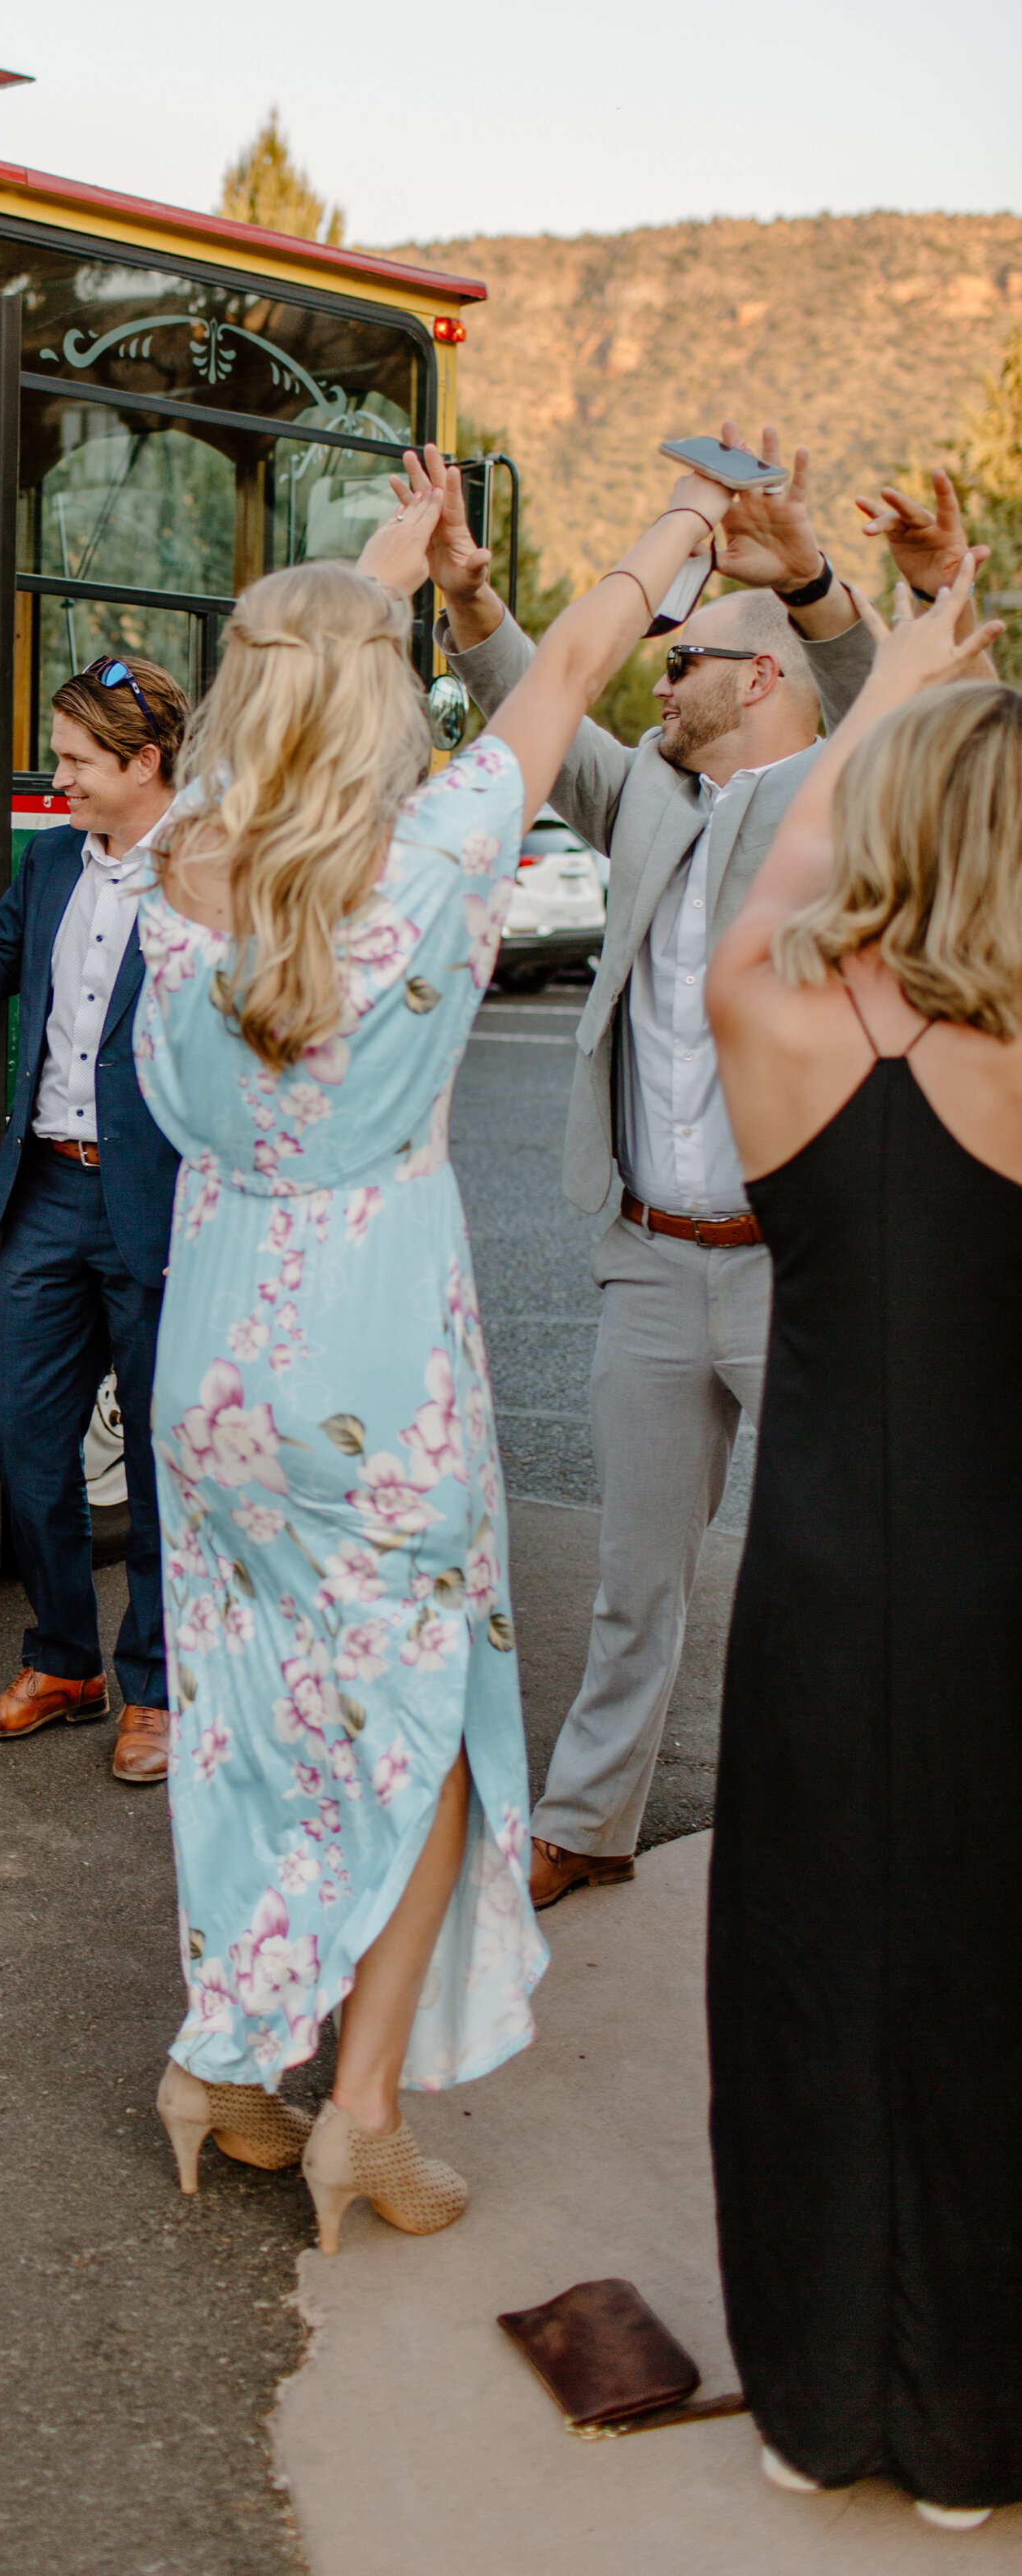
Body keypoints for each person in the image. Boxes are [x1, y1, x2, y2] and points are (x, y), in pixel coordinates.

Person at [139, 447, 746, 2243]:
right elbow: (568, 659)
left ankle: (220, 2065)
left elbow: (299, 675)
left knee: (247, 1717)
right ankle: (362, 2120)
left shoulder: (181, 858)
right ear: (382, 694)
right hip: (371, 1356)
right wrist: (683, 531)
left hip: (210, 1361)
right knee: (426, 1736)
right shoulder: (444, 845)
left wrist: (374, 568)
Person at [433, 429, 878, 1907]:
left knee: (848, 1575)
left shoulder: (850, 804)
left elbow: (904, 712)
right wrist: (477, 606)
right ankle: (588, 1821)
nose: (655, 681)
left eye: (680, 663)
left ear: (758, 676)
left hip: (796, 1269)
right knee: (634, 1582)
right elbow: (540, 709)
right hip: (644, 1257)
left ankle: (864, 1847)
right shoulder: (648, 803)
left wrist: (811, 579)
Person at [703, 554, 1015, 2532]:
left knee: (809, 1958)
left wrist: (890, 676)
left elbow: (776, 869)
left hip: (814, 1569)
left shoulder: (764, 1007)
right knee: (986, 1969)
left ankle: (816, 2398)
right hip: (998, 1570)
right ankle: (976, 2434)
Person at [0, 655, 188, 1784]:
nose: (55, 776)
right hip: (48, 1193)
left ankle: (154, 1687)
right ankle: (62, 1660)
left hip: (161, 1200)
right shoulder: (55, 855)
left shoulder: (212, 866)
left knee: (166, 1461)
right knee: (24, 1442)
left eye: (74, 760)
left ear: (143, 761)